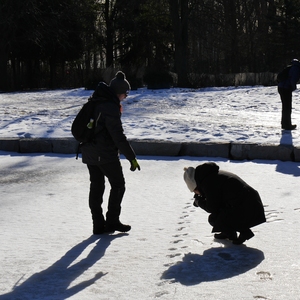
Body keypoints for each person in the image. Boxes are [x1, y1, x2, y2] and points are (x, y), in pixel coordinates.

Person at [81, 71, 141, 235]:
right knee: (118, 185)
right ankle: (112, 221)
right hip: (104, 153)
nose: (126, 96)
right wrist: (132, 157)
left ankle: (98, 225)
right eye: (125, 93)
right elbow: (118, 136)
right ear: (119, 92)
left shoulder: (97, 100)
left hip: (89, 151)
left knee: (96, 187)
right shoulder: (110, 106)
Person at [183, 162, 266, 245]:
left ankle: (244, 232)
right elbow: (218, 198)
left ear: (195, 185)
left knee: (214, 218)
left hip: (248, 208)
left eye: (194, 190)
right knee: (221, 213)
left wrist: (199, 202)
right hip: (251, 203)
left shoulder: (209, 183)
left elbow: (211, 207)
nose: (196, 193)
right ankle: (228, 233)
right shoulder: (211, 176)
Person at [278, 58, 300, 130]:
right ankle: (287, 125)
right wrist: (293, 88)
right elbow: (293, 80)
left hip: (281, 87)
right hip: (286, 88)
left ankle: (284, 124)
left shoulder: (290, 67)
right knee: (287, 107)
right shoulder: (296, 69)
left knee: (285, 107)